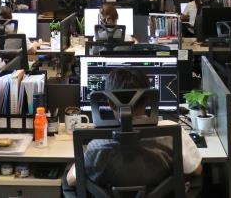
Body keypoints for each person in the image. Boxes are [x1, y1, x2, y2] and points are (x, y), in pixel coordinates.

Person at [65, 68, 202, 189]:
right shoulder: (171, 132)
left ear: (110, 103)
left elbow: (71, 181)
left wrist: (77, 161)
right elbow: (196, 170)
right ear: (148, 99)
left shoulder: (97, 145)